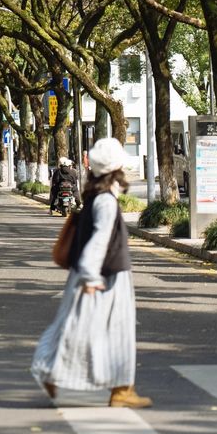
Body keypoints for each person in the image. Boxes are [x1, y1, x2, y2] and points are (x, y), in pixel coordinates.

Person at [31, 137, 152, 409]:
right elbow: (98, 241)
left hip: (96, 274)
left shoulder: (95, 195)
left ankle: (121, 388)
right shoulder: (106, 201)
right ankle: (62, 375)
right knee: (95, 330)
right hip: (105, 277)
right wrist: (91, 276)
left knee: (79, 327)